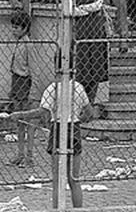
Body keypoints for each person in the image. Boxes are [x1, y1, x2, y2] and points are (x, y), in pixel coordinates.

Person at [6, 53, 93, 210]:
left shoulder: (53, 88)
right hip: (74, 128)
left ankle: (57, 208)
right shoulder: (78, 87)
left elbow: (42, 111)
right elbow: (89, 112)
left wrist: (20, 115)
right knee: (74, 178)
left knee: (58, 179)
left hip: (58, 127)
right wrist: (81, 118)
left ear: (56, 67)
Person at [71, 0, 109, 116]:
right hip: (81, 31)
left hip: (95, 30)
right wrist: (84, 10)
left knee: (95, 67)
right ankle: (81, 104)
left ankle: (92, 105)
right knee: (82, 66)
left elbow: (98, 5)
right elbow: (71, 9)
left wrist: (83, 9)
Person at [7, 9, 35, 167]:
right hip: (17, 81)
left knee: (28, 122)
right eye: (13, 27)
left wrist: (31, 90)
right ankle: (20, 154)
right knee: (19, 121)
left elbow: (31, 68)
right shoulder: (18, 43)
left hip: (25, 82)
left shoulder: (28, 44)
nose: (14, 30)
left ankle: (29, 156)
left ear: (24, 28)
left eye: (17, 27)